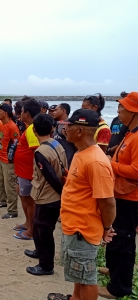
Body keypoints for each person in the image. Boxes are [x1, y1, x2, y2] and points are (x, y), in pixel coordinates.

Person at [48, 109, 116, 300]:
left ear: (80, 131)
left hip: (83, 229)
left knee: (87, 277)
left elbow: (108, 202)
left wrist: (106, 227)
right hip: (74, 225)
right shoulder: (81, 153)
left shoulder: (95, 161)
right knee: (79, 274)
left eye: (68, 126)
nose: (64, 129)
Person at [99, 92, 138, 299]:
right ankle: (113, 269)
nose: (119, 111)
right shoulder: (130, 133)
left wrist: (110, 164)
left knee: (123, 240)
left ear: (133, 112)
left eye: (122, 108)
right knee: (115, 235)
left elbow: (136, 171)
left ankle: (119, 288)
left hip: (130, 198)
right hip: (121, 194)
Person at [25, 113, 67, 276]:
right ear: (52, 129)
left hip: (48, 197)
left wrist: (62, 195)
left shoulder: (40, 152)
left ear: (34, 130)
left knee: (44, 230)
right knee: (40, 227)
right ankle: (39, 251)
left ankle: (46, 265)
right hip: (50, 195)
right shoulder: (57, 143)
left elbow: (51, 177)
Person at [13, 99, 41, 240]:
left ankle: (31, 230)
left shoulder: (32, 129)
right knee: (23, 198)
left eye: (22, 111)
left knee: (30, 202)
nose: (20, 113)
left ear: (27, 113)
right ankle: (27, 223)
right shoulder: (29, 127)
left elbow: (37, 152)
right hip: (23, 172)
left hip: (28, 172)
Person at [0, 104, 20, 219]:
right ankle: (3, 201)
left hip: (9, 161)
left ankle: (13, 210)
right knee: (0, 181)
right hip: (1, 158)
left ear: (6, 113)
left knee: (10, 185)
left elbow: (17, 143)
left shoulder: (12, 127)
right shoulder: (3, 125)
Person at [106, 91, 130, 157]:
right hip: (110, 154)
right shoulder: (115, 120)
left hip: (120, 154)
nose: (119, 109)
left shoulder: (130, 123)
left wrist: (110, 150)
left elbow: (125, 142)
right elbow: (110, 135)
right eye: (119, 105)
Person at [53, 103, 76, 167]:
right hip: (58, 162)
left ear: (63, 111)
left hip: (67, 164)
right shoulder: (58, 124)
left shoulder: (68, 126)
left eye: (56, 110)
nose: (53, 112)